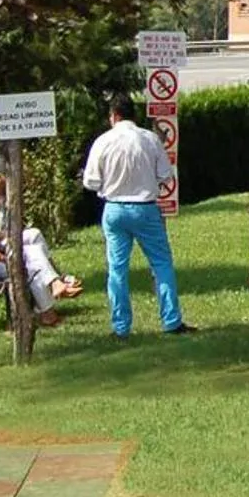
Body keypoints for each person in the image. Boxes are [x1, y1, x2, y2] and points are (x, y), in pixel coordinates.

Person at [82, 95, 194, 337]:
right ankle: (171, 320)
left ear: (113, 116)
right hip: (145, 207)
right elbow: (165, 175)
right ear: (133, 114)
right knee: (161, 263)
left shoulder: (103, 141)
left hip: (114, 208)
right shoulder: (149, 139)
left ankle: (121, 327)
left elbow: (90, 181)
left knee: (117, 268)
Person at [0, 169, 82, 321]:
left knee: (35, 248)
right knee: (32, 261)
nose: (1, 193)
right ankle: (51, 298)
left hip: (2, 247)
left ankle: (53, 288)